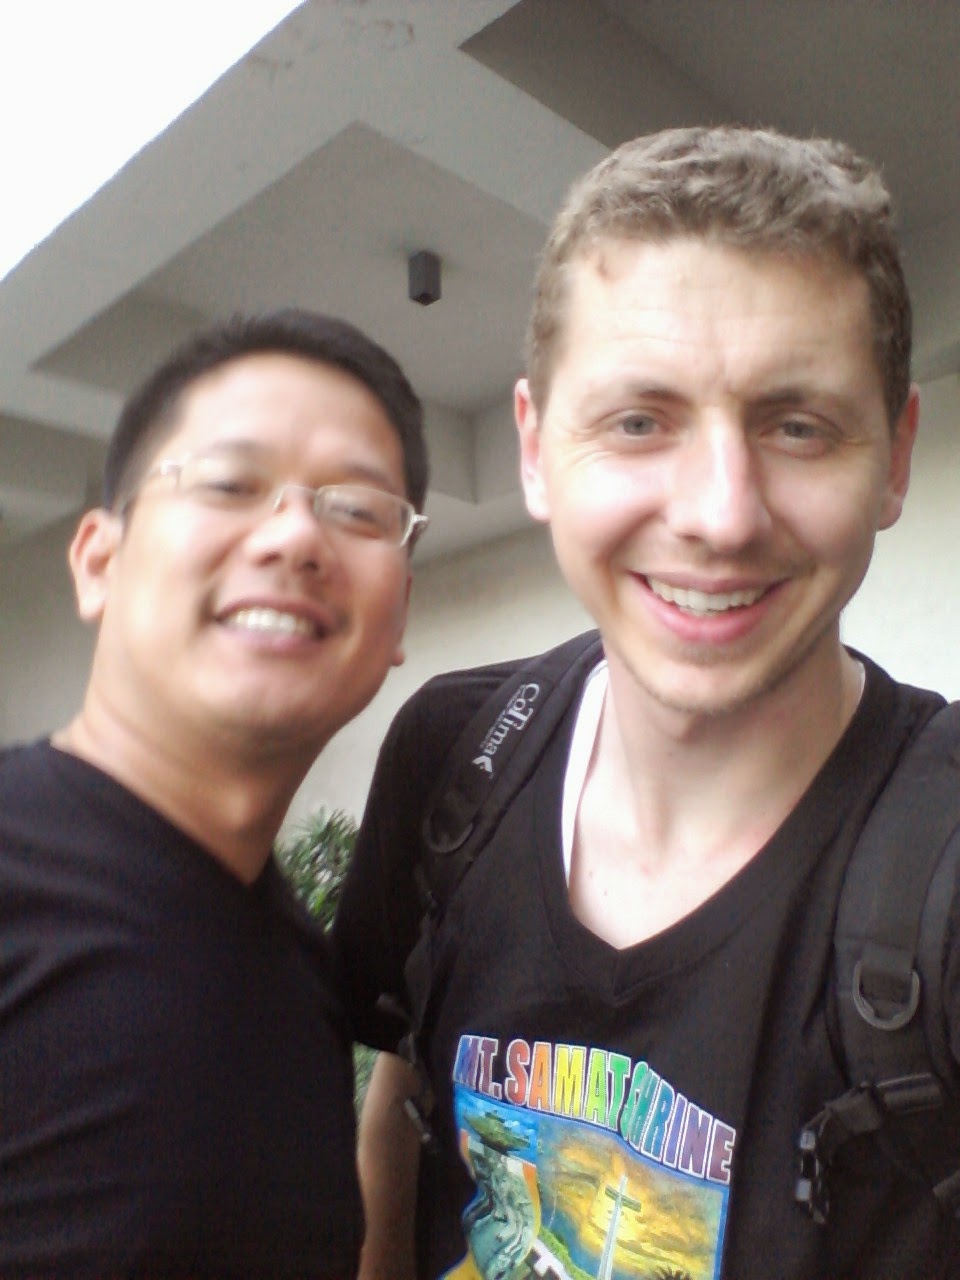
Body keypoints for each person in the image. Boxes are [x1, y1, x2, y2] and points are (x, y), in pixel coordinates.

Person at [332, 126, 959, 1279]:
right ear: (534, 449)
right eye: (638, 421)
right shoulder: (453, 760)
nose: (720, 514)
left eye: (797, 424)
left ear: (895, 454)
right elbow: (403, 1098)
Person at [0, 308, 428, 1278]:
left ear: (399, 612)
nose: (297, 535)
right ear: (98, 562)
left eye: (359, 510)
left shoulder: (305, 977)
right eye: (231, 483)